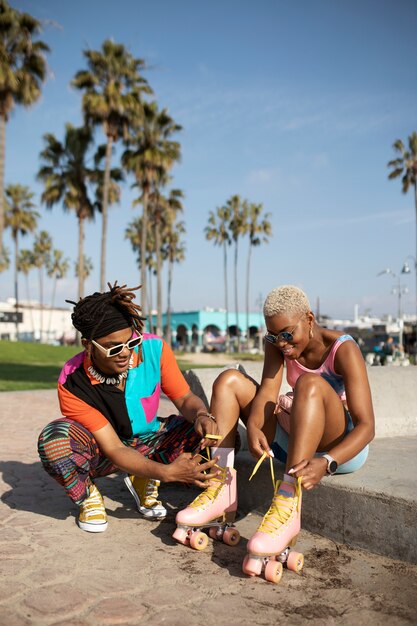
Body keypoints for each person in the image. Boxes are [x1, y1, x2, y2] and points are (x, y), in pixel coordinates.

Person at [181, 285, 374, 570]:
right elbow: (269, 394)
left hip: (337, 448)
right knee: (228, 380)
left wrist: (328, 462)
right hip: (294, 439)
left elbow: (367, 427)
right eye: (273, 336)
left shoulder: (343, 349)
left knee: (308, 385)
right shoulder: (276, 343)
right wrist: (257, 425)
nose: (281, 343)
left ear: (309, 319)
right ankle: (220, 489)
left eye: (287, 334)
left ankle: (287, 504)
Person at [38, 282, 222, 533]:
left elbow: (185, 398)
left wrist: (201, 414)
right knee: (55, 441)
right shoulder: (72, 381)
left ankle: (143, 475)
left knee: (210, 440)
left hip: (150, 440)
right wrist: (166, 473)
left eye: (131, 341)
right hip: (103, 452)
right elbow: (114, 448)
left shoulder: (153, 349)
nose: (125, 353)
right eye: (113, 348)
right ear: (88, 345)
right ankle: (89, 495)